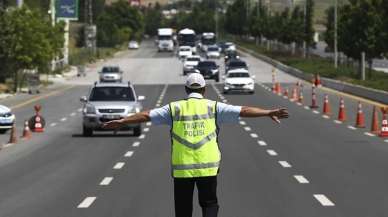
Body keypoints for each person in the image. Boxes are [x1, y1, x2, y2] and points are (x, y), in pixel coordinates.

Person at [103, 73, 289, 217]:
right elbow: (244, 110)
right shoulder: (214, 107)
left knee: (183, 209)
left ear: (186, 89)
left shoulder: (174, 108)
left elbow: (146, 115)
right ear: (204, 89)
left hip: (182, 169)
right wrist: (267, 112)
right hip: (208, 167)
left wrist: (123, 121)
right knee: (209, 204)